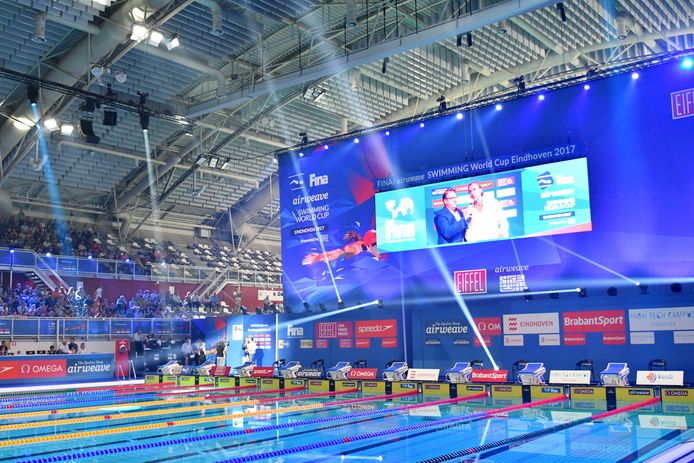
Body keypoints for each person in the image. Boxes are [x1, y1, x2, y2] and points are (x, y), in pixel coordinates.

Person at [302, 230, 383, 265]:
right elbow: (338, 253)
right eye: (376, 244)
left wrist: (354, 234)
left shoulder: (367, 245)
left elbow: (361, 240)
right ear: (369, 245)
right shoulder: (355, 249)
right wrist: (319, 257)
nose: (380, 248)